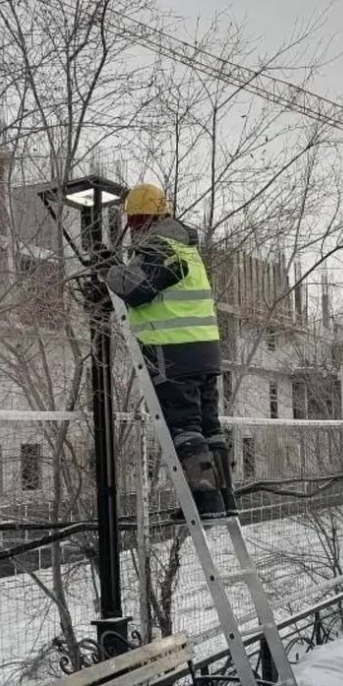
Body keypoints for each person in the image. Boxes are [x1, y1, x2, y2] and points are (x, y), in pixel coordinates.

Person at [104, 183, 237, 518]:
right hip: (205, 353)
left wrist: (108, 268)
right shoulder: (187, 249)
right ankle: (224, 499)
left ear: (141, 219)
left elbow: (135, 289)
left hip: (175, 354)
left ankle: (205, 501)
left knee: (185, 427)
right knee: (210, 427)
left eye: (132, 223)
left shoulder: (160, 246)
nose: (132, 231)